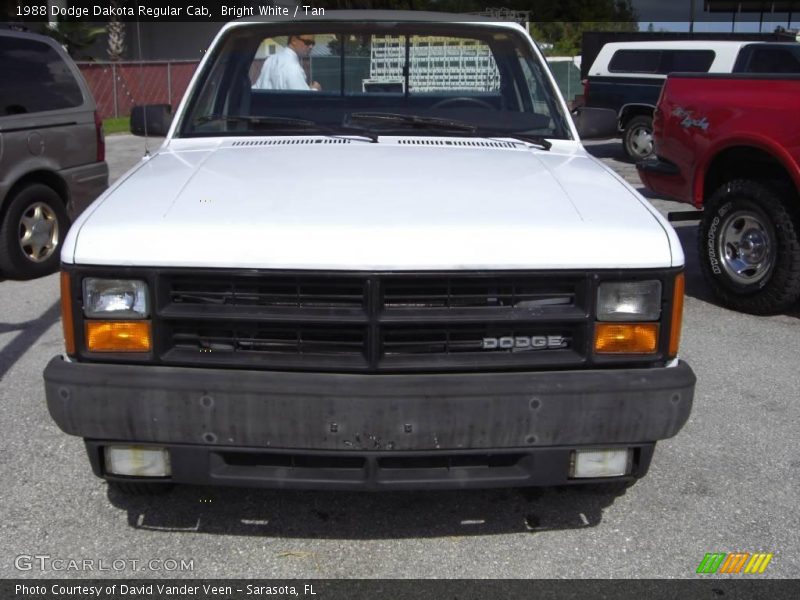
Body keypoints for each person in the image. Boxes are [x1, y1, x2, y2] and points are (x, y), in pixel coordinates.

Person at [253, 35, 321, 91]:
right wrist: (315, 89)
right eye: (307, 42)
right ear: (294, 40)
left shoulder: (271, 59)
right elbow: (302, 100)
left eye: (313, 43)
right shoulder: (293, 67)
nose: (311, 46)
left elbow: (257, 88)